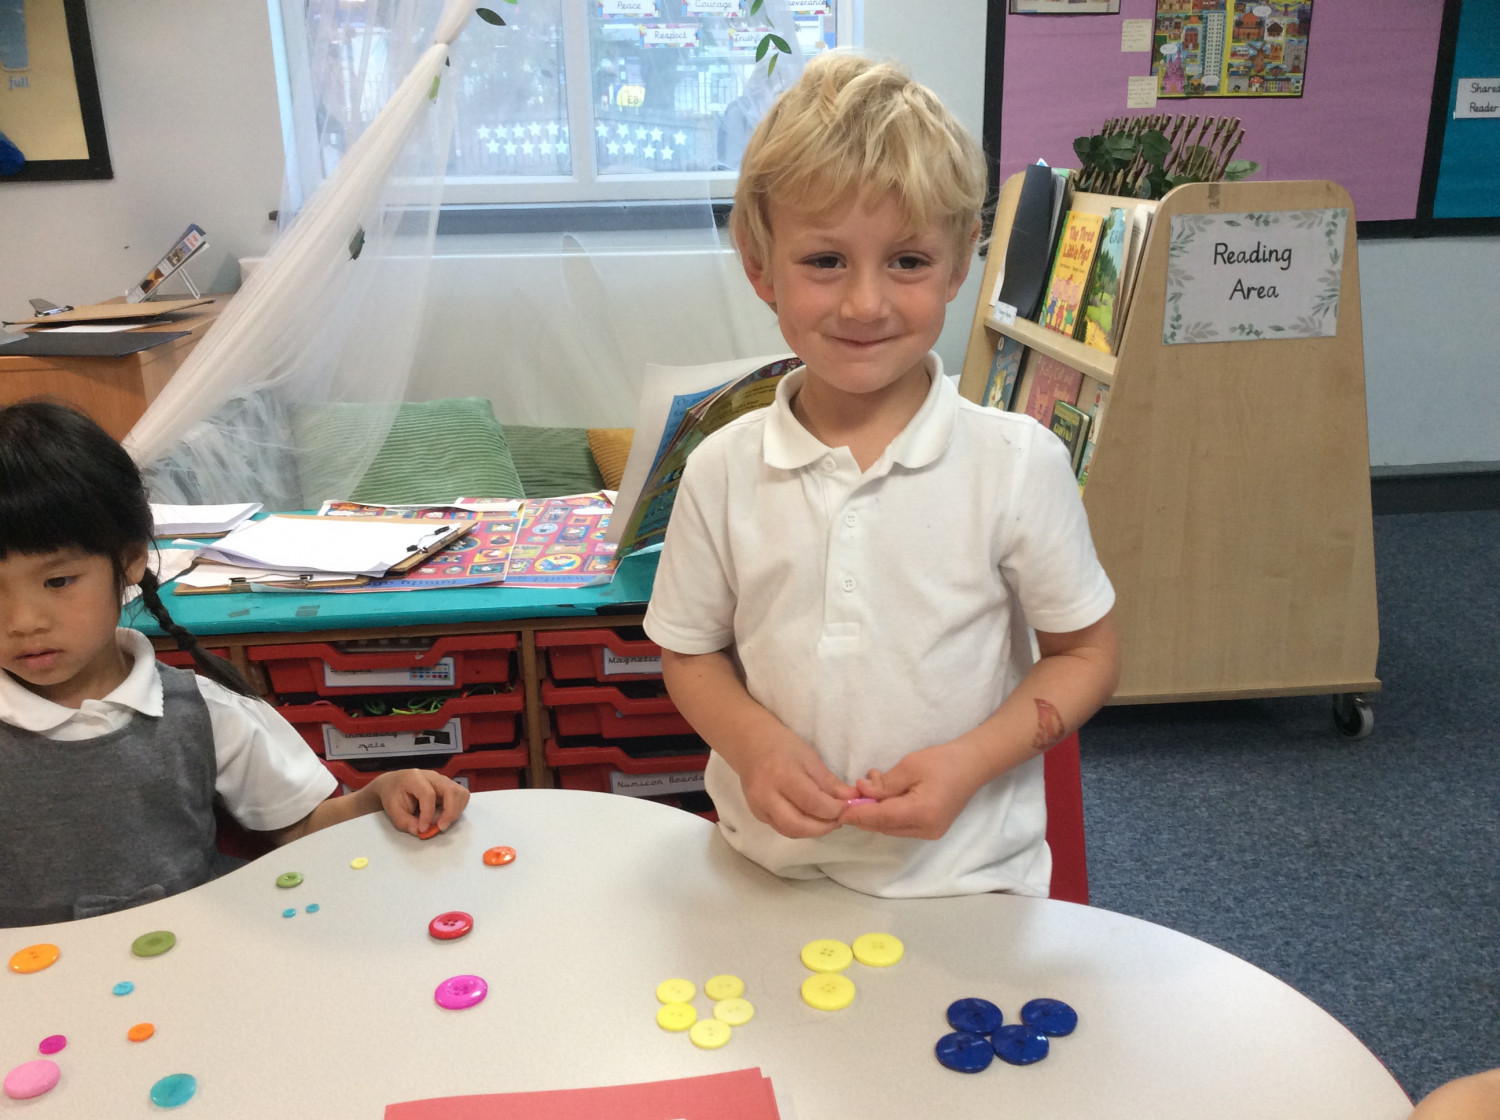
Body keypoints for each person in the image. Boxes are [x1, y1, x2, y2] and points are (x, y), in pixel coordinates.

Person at [643, 52, 1120, 898]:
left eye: (907, 261)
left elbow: (1087, 653)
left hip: (970, 883)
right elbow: (690, 654)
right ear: (760, 266)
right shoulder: (720, 469)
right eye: (825, 261)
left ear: (960, 262)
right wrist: (753, 745)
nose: (865, 304)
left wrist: (969, 762)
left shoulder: (1018, 465)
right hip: (766, 871)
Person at [0, 400, 470, 927]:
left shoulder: (202, 710)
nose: (23, 621)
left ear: (129, 560)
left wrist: (378, 795)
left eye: (58, 581)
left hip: (193, 957)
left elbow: (300, 826)